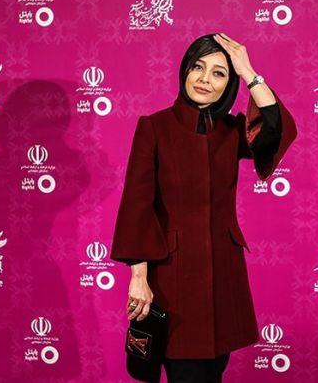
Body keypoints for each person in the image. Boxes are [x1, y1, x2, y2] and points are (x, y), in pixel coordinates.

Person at [110, 32, 297, 382]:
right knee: (186, 372)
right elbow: (137, 204)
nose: (205, 79)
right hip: (172, 277)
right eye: (198, 67)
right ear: (185, 70)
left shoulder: (232, 130)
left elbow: (276, 130)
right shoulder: (154, 127)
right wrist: (138, 277)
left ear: (229, 84)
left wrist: (248, 72)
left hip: (223, 275)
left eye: (218, 73)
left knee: (213, 373)